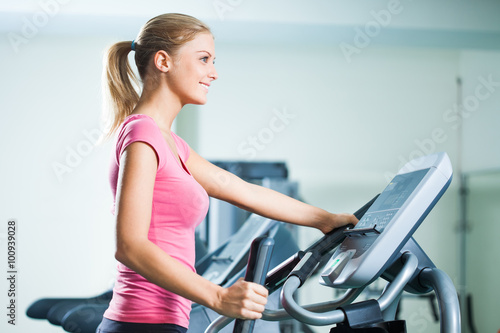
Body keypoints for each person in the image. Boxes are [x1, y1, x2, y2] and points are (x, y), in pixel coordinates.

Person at [97, 13, 358, 333]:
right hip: (143, 324)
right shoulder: (143, 135)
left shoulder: (170, 143)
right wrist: (218, 297)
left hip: (162, 322)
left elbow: (240, 189)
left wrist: (324, 220)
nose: (214, 73)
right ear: (163, 61)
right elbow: (130, 245)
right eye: (204, 59)